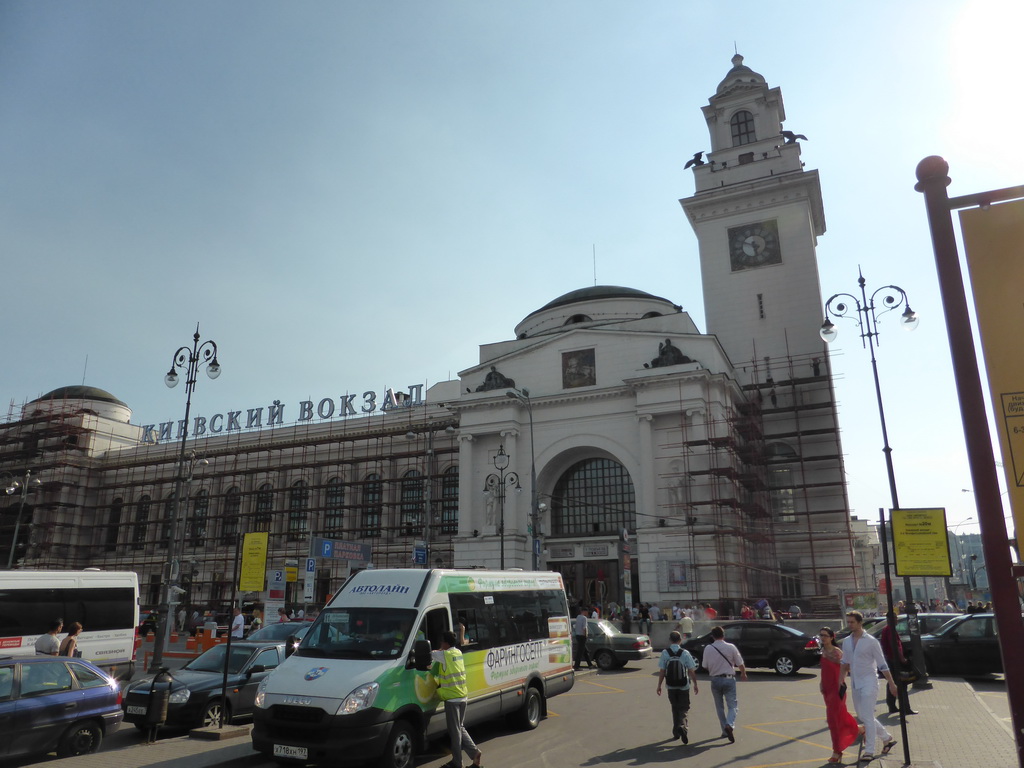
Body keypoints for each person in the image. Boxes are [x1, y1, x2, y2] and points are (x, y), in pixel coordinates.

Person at [840, 611, 899, 762]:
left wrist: (892, 684)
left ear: (860, 623)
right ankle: (887, 738)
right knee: (863, 715)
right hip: (855, 682)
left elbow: (882, 664)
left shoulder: (871, 641)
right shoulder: (846, 641)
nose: (850, 624)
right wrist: (840, 681)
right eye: (848, 622)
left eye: (852, 622)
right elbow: (845, 663)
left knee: (866, 717)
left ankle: (870, 751)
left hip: (870, 682)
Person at [429, 630, 483, 768]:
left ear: (445, 643)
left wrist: (439, 649)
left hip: (452, 699)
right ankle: (475, 752)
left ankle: (457, 762)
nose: (441, 643)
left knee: (455, 732)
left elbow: (430, 655)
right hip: (462, 696)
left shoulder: (445, 655)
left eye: (442, 641)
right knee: (460, 727)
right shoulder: (458, 653)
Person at [818, 627, 861, 763]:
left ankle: (837, 751)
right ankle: (860, 730)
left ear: (832, 637)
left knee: (833, 720)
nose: (823, 638)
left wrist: (840, 682)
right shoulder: (823, 651)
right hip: (827, 689)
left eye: (825, 636)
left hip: (837, 689)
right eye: (821, 635)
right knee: (840, 717)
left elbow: (846, 667)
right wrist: (821, 683)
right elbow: (824, 669)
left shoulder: (837, 653)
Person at [701, 626, 746, 743]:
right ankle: (729, 724)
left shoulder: (708, 648)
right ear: (723, 635)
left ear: (712, 636)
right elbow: (740, 663)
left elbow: (704, 665)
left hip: (715, 679)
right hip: (729, 679)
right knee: (733, 706)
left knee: (719, 706)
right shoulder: (731, 647)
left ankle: (724, 730)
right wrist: (743, 673)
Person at [656, 630, 698, 743]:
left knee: (674, 707)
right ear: (680, 640)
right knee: (684, 707)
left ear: (670, 640)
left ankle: (676, 732)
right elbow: (691, 670)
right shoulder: (685, 653)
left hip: (670, 685)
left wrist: (659, 685)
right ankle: (683, 726)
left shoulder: (665, 652)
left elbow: (662, 671)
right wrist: (695, 684)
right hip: (684, 685)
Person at [879, 615, 917, 715]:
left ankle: (892, 706)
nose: (896, 621)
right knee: (902, 684)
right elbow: (894, 645)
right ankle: (906, 708)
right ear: (889, 619)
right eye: (894, 619)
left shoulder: (886, 629)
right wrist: (902, 659)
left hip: (890, 660)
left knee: (892, 682)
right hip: (894, 660)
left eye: (896, 619)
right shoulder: (890, 630)